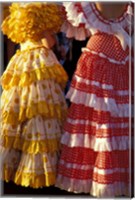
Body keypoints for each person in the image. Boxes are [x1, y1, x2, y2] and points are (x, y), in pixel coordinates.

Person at [55, 2, 133, 197]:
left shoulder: (85, 4)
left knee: (97, 116)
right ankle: (112, 179)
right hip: (123, 54)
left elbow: (67, 18)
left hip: (99, 53)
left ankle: (102, 179)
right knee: (116, 115)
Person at [0, 2, 68, 188]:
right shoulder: (42, 9)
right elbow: (47, 42)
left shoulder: (15, 10)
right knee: (42, 111)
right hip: (40, 61)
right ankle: (39, 170)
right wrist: (52, 37)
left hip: (21, 60)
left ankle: (12, 166)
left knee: (19, 110)